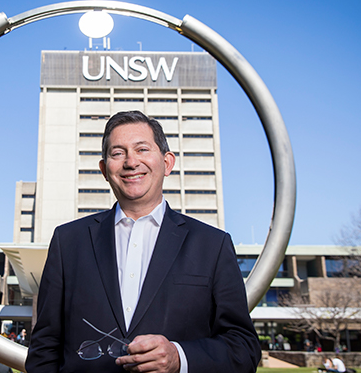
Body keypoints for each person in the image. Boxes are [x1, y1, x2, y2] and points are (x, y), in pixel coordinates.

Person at [26, 111, 261, 373]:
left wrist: (179, 357)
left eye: (142, 149)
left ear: (167, 163)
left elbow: (243, 348)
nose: (130, 162)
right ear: (104, 170)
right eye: (117, 153)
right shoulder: (68, 241)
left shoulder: (212, 245)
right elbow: (45, 348)